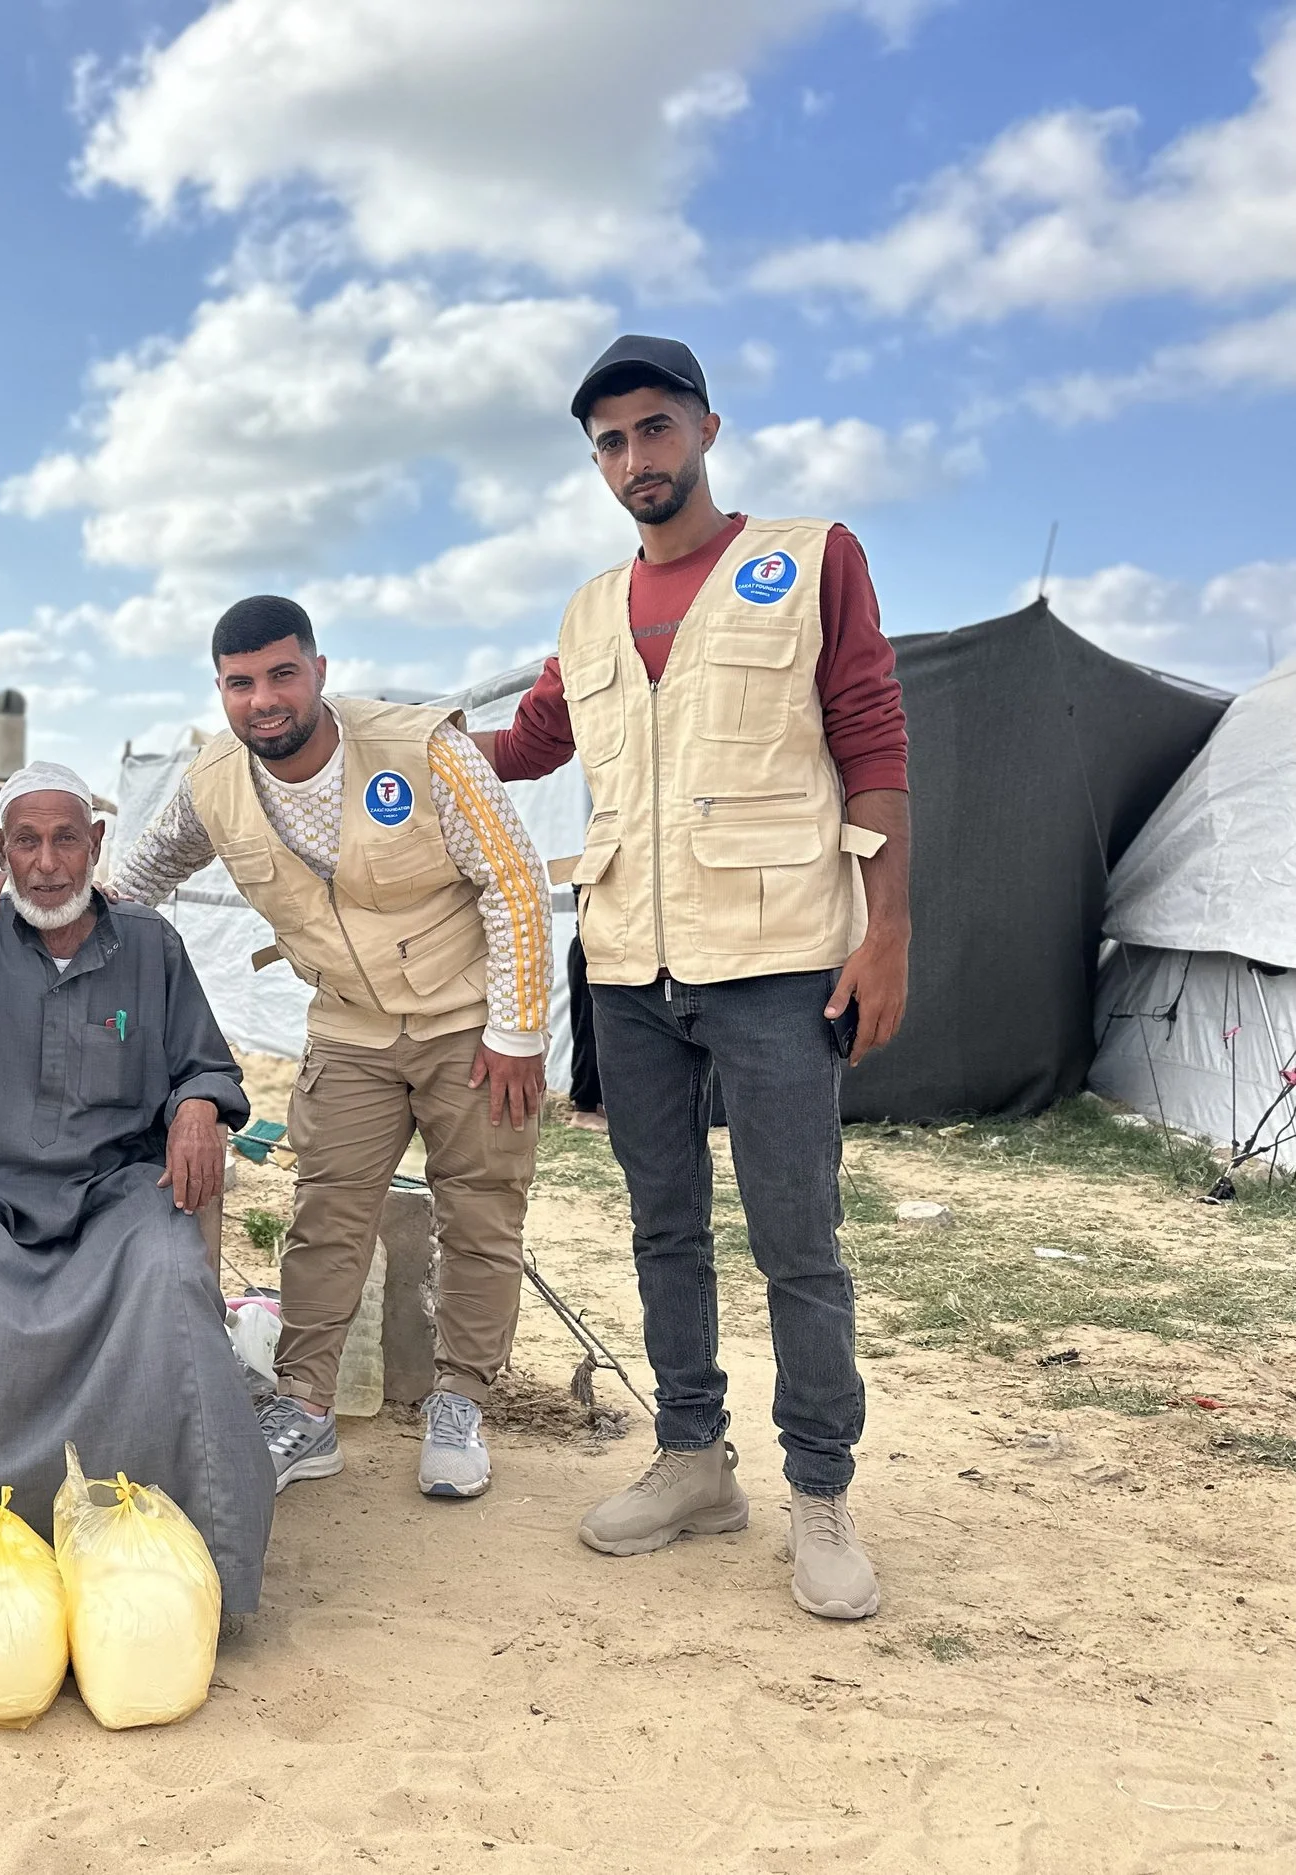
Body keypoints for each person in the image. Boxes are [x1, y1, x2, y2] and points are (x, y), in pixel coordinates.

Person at [477, 334, 911, 1621]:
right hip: (628, 968)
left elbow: (872, 732)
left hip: (779, 959)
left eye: (653, 430)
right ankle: (691, 1461)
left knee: (796, 1241)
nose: (632, 460)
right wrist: (383, 744)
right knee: (663, 1229)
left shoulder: (807, 559)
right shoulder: (589, 608)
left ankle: (820, 1493)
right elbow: (530, 744)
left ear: (706, 430)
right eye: (609, 442)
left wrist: (886, 929)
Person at [110, 598, 552, 1504]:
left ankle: (459, 1400)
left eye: (281, 674)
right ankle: (305, 1407)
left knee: (480, 1210)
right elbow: (138, 877)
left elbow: (514, 877)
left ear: (317, 669)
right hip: (348, 1022)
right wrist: (49, 944)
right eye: (240, 683)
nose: (263, 699)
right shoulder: (214, 781)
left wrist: (517, 1032)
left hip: (465, 1015)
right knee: (327, 1213)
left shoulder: (420, 748)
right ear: (221, 690)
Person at [0, 765, 274, 1613]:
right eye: (27, 842)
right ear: (4, 850)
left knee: (169, 1269)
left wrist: (197, 1103)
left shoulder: (151, 944)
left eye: (65, 839)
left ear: (96, 844)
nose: (47, 863)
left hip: (114, 1195)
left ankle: (170, 1559)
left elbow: (205, 1060)